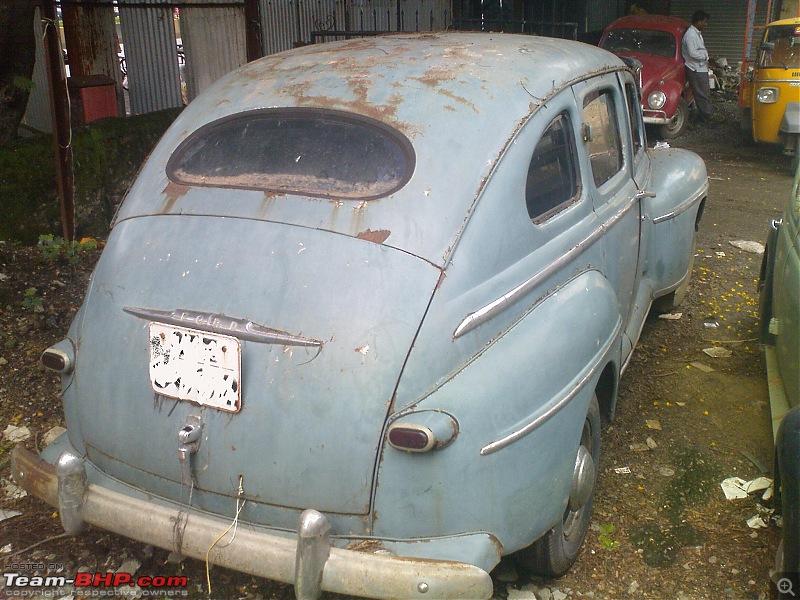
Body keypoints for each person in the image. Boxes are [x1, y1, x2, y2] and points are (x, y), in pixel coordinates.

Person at [681, 10, 715, 124]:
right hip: (695, 68)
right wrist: (705, 57)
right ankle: (707, 117)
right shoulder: (690, 35)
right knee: (701, 94)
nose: (706, 24)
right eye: (704, 22)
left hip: (700, 68)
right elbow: (692, 53)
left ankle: (707, 115)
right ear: (698, 21)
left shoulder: (696, 33)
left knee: (704, 93)